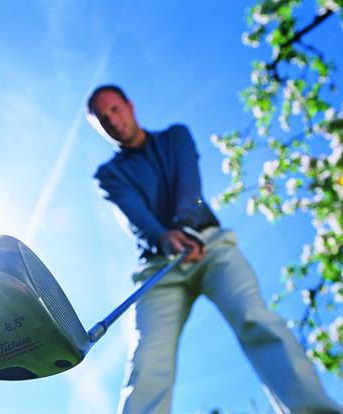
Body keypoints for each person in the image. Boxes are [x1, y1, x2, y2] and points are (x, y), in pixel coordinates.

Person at [86, 84, 342, 414]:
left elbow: (190, 188)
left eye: (115, 109)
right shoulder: (109, 174)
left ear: (130, 106)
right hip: (158, 267)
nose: (112, 120)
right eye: (102, 118)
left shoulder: (175, 137)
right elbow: (135, 216)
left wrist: (184, 225)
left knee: (255, 318)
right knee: (147, 358)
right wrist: (165, 239)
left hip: (211, 247)